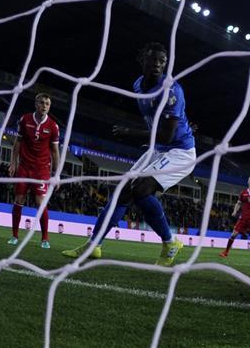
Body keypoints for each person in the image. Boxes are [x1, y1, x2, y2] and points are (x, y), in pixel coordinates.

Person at [63, 42, 195, 266]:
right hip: (157, 150)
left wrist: (130, 132)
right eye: (153, 59)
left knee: (141, 189)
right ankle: (93, 246)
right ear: (143, 59)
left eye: (162, 61)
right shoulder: (137, 85)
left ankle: (170, 242)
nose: (157, 64)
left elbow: (168, 136)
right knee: (122, 192)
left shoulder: (172, 90)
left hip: (180, 151)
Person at [8, 93, 60, 249]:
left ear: (49, 107)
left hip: (41, 170)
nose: (44, 106)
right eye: (42, 103)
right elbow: (17, 142)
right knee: (19, 199)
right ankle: (15, 236)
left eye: (47, 104)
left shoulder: (53, 126)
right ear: (36, 104)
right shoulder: (25, 119)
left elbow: (55, 151)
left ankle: (45, 239)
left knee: (40, 203)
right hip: (24, 167)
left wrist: (56, 174)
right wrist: (13, 163)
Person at [219, 175, 250, 260]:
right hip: (243, 217)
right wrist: (235, 211)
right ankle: (226, 252)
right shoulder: (243, 193)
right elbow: (239, 203)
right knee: (233, 234)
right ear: (248, 182)